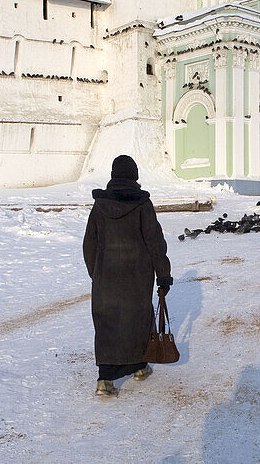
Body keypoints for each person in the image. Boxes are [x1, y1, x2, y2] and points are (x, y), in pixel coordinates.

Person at [83, 154, 173, 398]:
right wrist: (163, 276)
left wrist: (97, 273)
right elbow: (155, 243)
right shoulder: (143, 204)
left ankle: (105, 380)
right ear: (134, 176)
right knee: (137, 320)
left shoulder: (100, 205)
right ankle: (140, 367)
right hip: (138, 276)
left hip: (106, 277)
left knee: (107, 323)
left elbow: (89, 243)